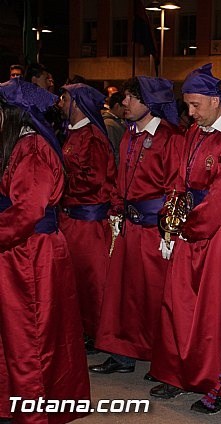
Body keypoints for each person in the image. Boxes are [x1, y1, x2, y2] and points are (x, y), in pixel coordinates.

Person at [149, 63, 221, 400]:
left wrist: (190, 227)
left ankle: (217, 383)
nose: (191, 113)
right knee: (178, 304)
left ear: (215, 100)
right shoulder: (194, 133)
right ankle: (176, 372)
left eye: (196, 105)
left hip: (218, 233)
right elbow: (177, 180)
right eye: (188, 106)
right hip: (189, 229)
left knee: (213, 313)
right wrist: (171, 214)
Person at [0, 77, 91, 423]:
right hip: (20, 251)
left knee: (31, 335)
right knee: (16, 333)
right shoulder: (19, 146)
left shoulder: (33, 150)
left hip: (31, 254)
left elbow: (27, 212)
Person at [91, 76, 183, 374]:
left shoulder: (170, 138)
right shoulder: (130, 135)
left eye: (131, 97)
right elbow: (119, 178)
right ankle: (123, 354)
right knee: (124, 293)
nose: (125, 102)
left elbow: (176, 186)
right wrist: (117, 208)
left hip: (154, 231)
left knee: (154, 296)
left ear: (150, 101)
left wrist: (169, 229)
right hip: (128, 228)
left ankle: (161, 357)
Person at [57, 83, 117, 352]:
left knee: (93, 282)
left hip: (88, 223)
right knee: (75, 281)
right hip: (72, 220)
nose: (60, 102)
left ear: (78, 103)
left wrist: (59, 183)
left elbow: (96, 180)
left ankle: (97, 333)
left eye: (64, 98)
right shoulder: (71, 134)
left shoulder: (92, 137)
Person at [102, 91, 126, 165]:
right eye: (124, 107)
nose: (126, 110)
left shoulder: (118, 121)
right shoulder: (109, 124)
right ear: (117, 106)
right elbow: (112, 151)